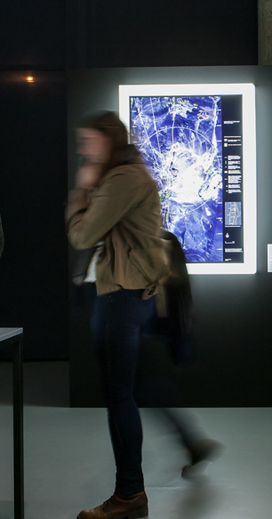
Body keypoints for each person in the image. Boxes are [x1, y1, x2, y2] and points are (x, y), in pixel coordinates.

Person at [66, 111, 172, 519]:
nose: (84, 149)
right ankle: (130, 491)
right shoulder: (125, 175)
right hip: (125, 295)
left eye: (89, 141)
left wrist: (82, 190)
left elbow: (82, 235)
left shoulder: (123, 178)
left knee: (119, 396)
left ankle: (129, 495)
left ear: (108, 140)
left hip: (121, 298)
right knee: (124, 391)